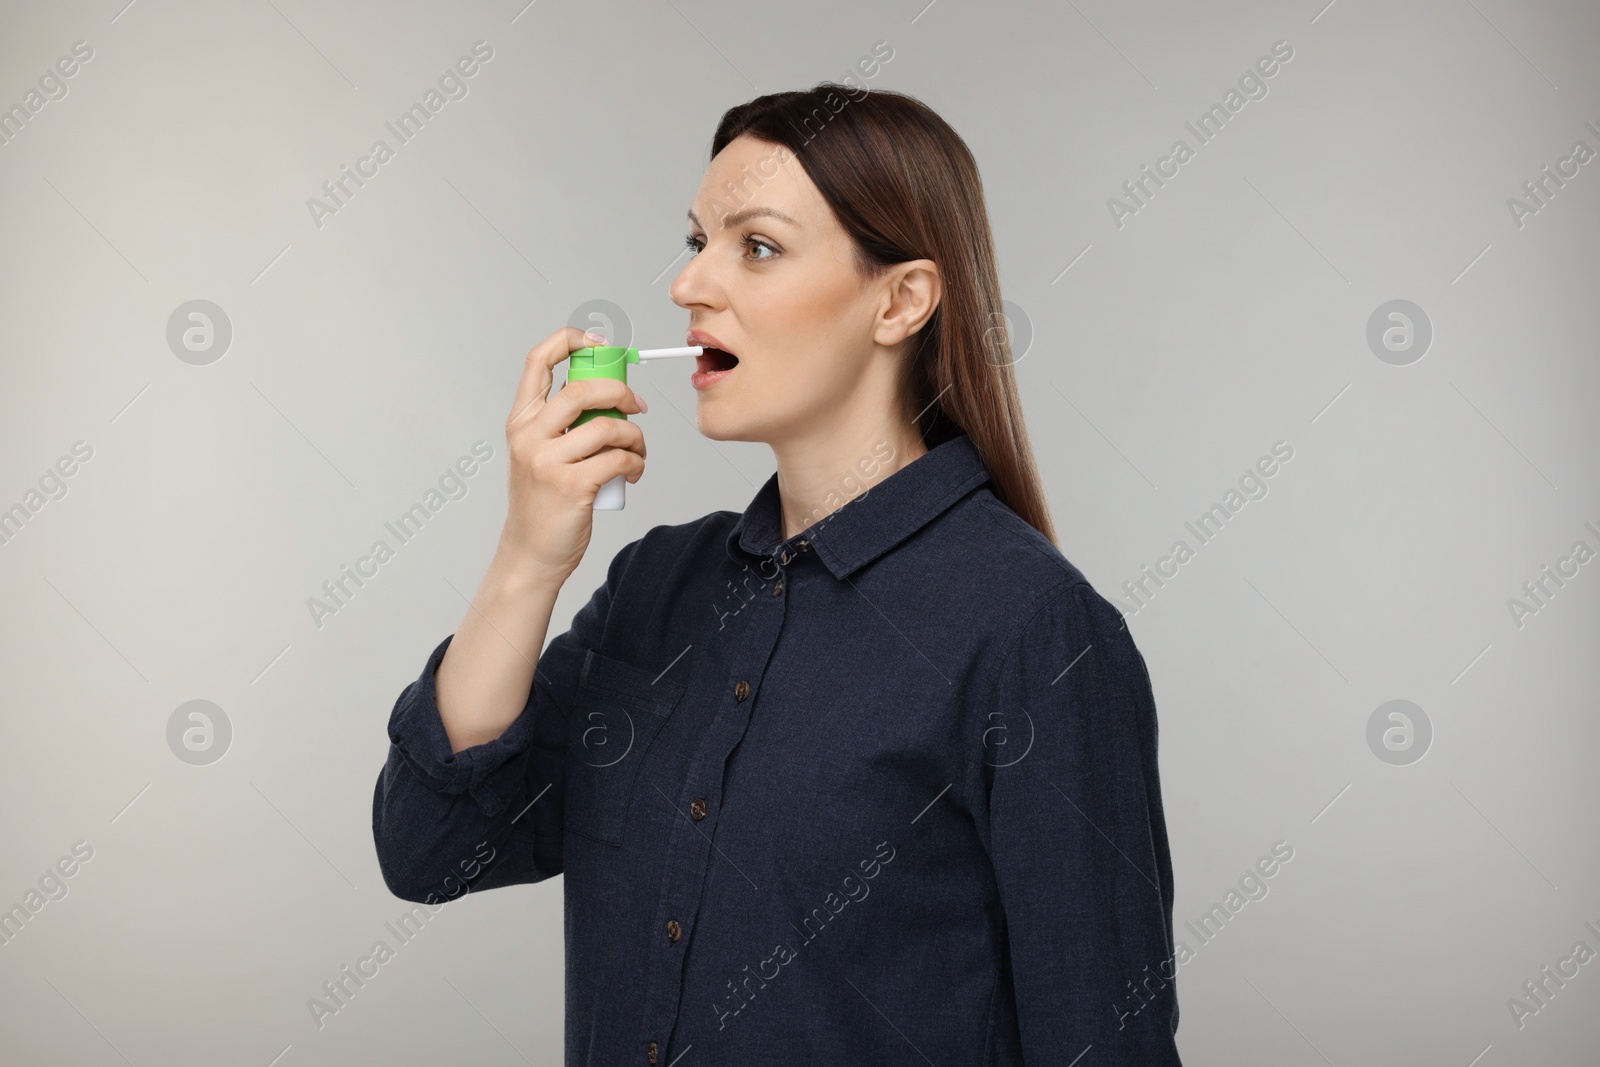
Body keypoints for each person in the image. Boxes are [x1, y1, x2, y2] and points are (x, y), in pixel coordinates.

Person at [372, 82, 1182, 1066]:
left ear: (901, 300)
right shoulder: (654, 585)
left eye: (754, 246)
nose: (688, 285)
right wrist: (526, 558)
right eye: (696, 239)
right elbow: (428, 850)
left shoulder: (1031, 631)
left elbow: (1103, 1039)